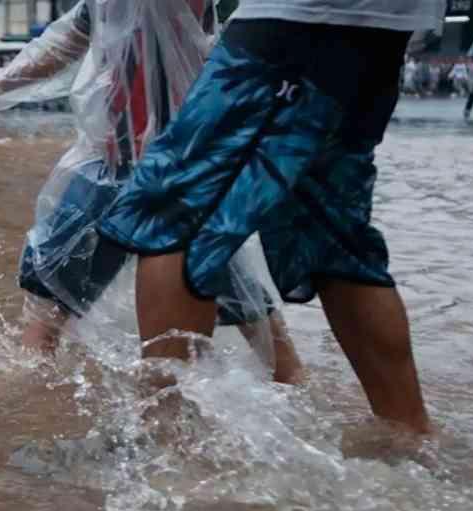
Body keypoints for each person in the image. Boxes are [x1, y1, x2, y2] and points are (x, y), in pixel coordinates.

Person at [94, 0, 443, 434]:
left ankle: (159, 433)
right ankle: (409, 436)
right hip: (381, 36)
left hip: (294, 25)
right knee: (337, 241)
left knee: (174, 210)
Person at [0, 0, 304, 383]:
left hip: (173, 169)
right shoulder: (103, 6)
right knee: (48, 309)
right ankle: (34, 407)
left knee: (246, 312)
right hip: (124, 165)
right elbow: (63, 43)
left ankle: (38, 407)